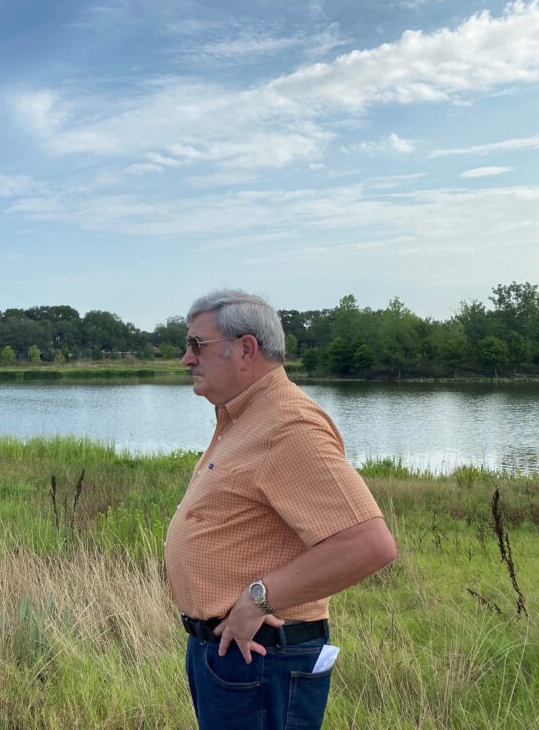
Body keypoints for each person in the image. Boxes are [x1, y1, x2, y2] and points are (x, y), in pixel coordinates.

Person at [165, 290, 397, 730]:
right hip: (231, 654)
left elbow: (369, 543)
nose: (186, 359)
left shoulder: (287, 425)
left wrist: (258, 599)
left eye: (197, 345)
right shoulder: (243, 418)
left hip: (262, 657)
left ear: (246, 349)